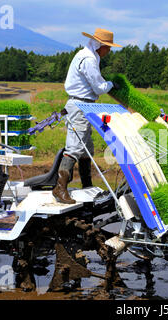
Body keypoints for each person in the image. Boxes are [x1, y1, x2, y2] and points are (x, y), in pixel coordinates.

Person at [52, 28, 122, 204]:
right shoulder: (89, 59)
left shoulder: (89, 55)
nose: (109, 51)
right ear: (100, 45)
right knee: (75, 147)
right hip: (80, 105)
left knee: (86, 149)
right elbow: (99, 88)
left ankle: (87, 185)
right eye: (108, 47)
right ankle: (60, 188)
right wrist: (112, 84)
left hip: (85, 105)